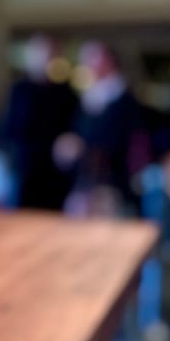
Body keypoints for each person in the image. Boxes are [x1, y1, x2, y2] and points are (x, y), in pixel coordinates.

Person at [54, 41, 147, 217]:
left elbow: (119, 140)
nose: (88, 64)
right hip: (86, 181)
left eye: (93, 58)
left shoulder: (123, 98)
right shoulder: (90, 96)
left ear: (109, 60)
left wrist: (82, 147)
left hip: (113, 183)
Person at [2, 35, 78, 210]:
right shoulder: (19, 90)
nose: (44, 57)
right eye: (39, 52)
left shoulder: (65, 92)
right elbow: (9, 130)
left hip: (55, 173)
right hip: (25, 169)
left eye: (48, 53)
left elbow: (72, 129)